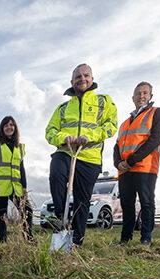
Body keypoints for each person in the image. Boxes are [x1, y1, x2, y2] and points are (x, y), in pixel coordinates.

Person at [46, 63, 117, 247]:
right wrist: (63, 137)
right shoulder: (62, 108)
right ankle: (61, 217)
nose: (82, 79)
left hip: (89, 158)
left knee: (82, 201)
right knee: (56, 173)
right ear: (72, 81)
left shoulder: (104, 101)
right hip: (66, 152)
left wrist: (90, 136)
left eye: (86, 75)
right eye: (78, 76)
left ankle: (76, 242)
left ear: (92, 79)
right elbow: (50, 131)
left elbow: (110, 126)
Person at [114, 82, 160, 244]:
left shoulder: (157, 113)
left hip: (145, 167)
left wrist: (131, 160)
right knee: (127, 204)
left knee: (146, 202)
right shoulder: (125, 122)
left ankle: (146, 238)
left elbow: (155, 139)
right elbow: (117, 145)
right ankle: (125, 238)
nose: (141, 96)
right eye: (138, 93)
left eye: (145, 93)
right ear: (133, 97)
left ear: (150, 96)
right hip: (124, 170)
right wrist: (118, 163)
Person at [0, 116, 33, 242]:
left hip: (17, 186)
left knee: (27, 210)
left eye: (12, 125)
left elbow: (21, 168)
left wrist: (24, 186)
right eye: (6, 125)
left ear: (15, 128)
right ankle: (3, 241)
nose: (9, 127)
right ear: (2, 128)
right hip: (0, 186)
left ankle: (28, 238)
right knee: (2, 215)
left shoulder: (19, 147)